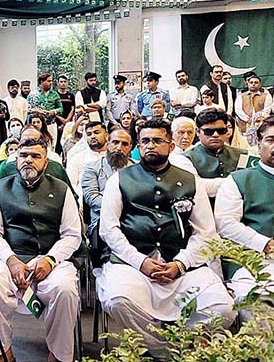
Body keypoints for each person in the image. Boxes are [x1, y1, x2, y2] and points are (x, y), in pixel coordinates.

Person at [98, 120, 235, 360]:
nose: (151, 145)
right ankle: (164, 352)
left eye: (158, 140)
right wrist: (140, 262)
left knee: (223, 309)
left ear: (171, 145)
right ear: (137, 147)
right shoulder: (119, 180)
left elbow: (205, 232)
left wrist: (180, 263)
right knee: (117, 300)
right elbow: (109, 229)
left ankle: (180, 344)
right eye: (145, 141)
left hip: (182, 265)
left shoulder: (191, 181)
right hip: (133, 264)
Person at [0, 137, 81, 362]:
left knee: (65, 290)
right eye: (23, 156)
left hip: (51, 259)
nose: (28, 160)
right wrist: (11, 259)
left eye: (35, 156)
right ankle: (3, 354)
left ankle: (58, 356)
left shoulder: (62, 189)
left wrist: (51, 260)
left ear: (46, 161)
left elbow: (72, 235)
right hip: (8, 258)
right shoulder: (1, 189)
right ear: (16, 159)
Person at [215, 117, 274, 314]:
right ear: (258, 144)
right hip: (253, 261)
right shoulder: (239, 180)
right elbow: (226, 224)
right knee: (261, 297)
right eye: (271, 140)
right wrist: (267, 244)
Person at [173, 110, 248, 204]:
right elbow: (197, 187)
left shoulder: (243, 155)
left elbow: (250, 184)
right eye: (209, 131)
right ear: (197, 131)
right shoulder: (185, 158)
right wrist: (237, 182)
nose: (215, 135)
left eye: (221, 131)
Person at [82, 128, 133, 235]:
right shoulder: (92, 168)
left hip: (133, 222)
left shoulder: (137, 169)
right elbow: (92, 197)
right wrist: (120, 210)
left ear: (130, 148)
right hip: (102, 221)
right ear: (108, 143)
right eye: (115, 142)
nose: (119, 148)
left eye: (124, 144)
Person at [67, 121, 108, 200]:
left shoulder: (114, 158)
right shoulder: (77, 158)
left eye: (96, 133)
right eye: (89, 134)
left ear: (106, 135)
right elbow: (70, 185)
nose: (92, 136)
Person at [29, 73, 63, 146]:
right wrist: (37, 111)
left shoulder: (54, 94)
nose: (51, 83)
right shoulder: (33, 94)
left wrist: (54, 111)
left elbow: (61, 108)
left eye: (51, 81)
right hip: (37, 125)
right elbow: (27, 109)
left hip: (51, 124)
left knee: (52, 145)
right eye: (48, 81)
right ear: (41, 82)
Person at [55, 75, 76, 154]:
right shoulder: (54, 95)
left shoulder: (71, 95)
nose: (63, 83)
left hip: (68, 124)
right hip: (57, 123)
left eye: (64, 82)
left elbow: (73, 109)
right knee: (57, 144)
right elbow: (53, 110)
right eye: (61, 82)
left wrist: (66, 121)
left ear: (67, 83)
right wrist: (62, 120)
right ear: (58, 83)